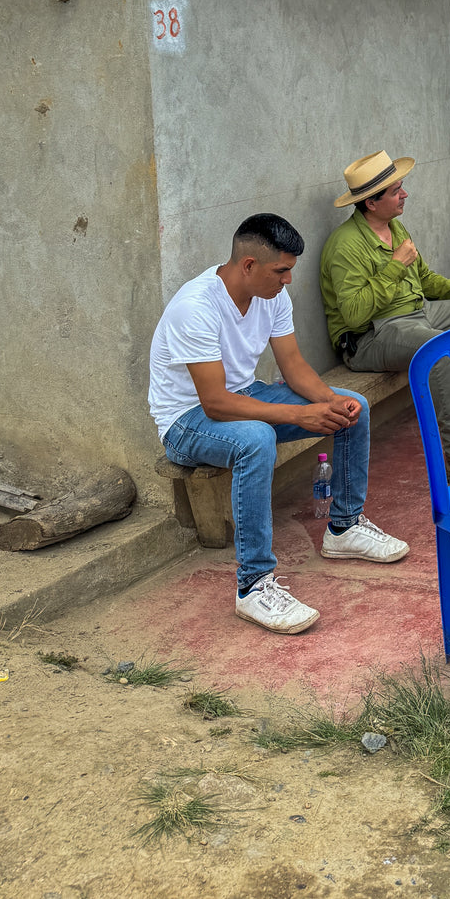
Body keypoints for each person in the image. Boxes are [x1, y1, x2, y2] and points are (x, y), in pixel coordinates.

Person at [150, 214, 408, 636]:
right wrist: (300, 415)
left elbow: (293, 366)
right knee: (256, 438)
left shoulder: (271, 295)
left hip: (246, 395)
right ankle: (253, 585)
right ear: (249, 265)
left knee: (353, 406)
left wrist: (329, 402)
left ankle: (344, 528)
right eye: (281, 271)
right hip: (187, 420)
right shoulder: (194, 307)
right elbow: (215, 403)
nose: (288, 280)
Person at [320, 151, 450, 483]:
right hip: (373, 334)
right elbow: (354, 314)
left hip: (420, 313)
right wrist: (395, 266)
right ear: (371, 203)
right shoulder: (344, 246)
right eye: (396, 191)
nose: (404, 194)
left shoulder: (396, 227)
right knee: (438, 350)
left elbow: (426, 280)